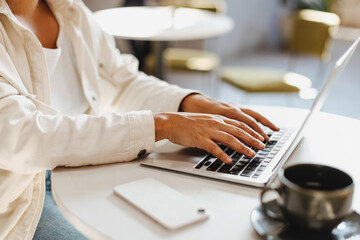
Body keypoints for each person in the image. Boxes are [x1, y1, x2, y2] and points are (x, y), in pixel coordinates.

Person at [0, 0, 278, 239]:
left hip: (84, 168)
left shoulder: (71, 11)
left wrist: (189, 103)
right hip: (21, 199)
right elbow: (22, 136)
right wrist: (164, 125)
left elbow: (121, 81)